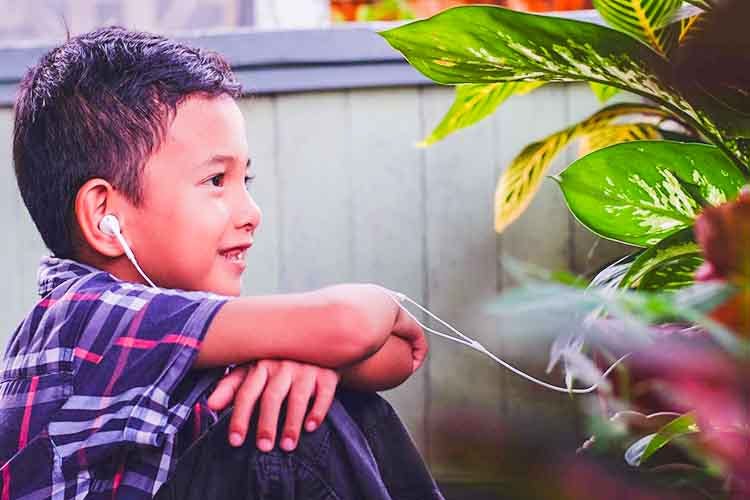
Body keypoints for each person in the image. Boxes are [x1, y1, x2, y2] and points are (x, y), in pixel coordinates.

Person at [0, 26, 444, 499]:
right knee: (285, 430)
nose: (251, 213)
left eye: (244, 180)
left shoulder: (181, 321)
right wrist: (360, 316)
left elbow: (401, 353)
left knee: (297, 398)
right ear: (105, 217)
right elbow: (351, 325)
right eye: (216, 180)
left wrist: (314, 365)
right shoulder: (83, 319)